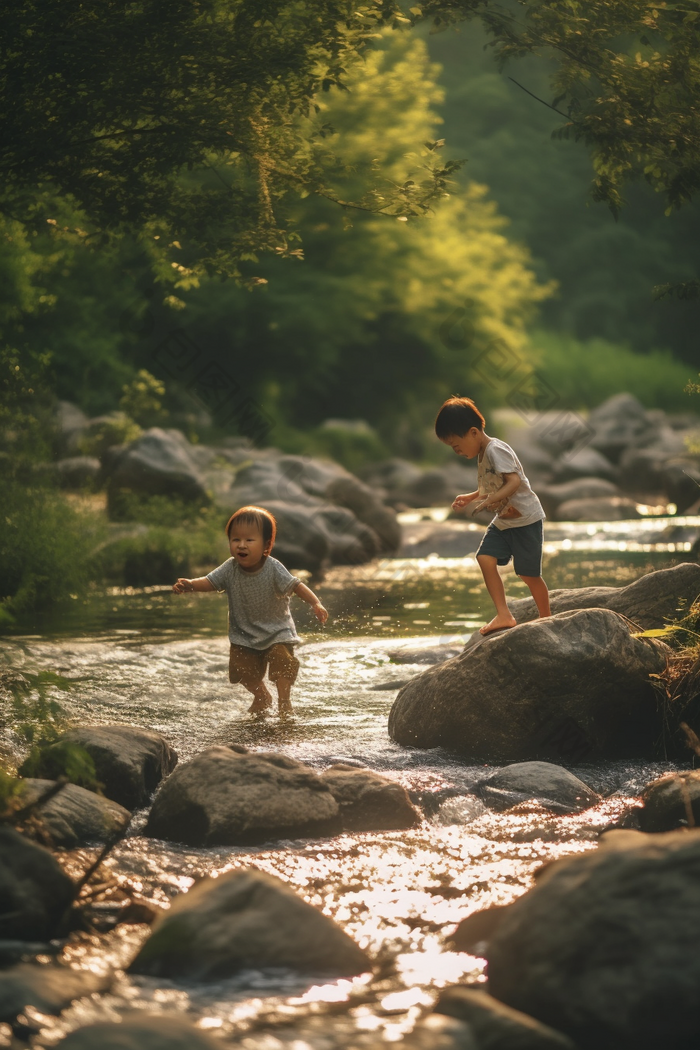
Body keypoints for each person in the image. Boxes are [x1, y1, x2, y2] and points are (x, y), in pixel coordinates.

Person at [172, 505, 328, 717]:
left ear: (267, 545)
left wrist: (315, 603)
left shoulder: (273, 567)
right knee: (242, 672)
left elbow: (296, 585)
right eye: (235, 539)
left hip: (277, 632)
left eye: (249, 540)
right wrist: (190, 584)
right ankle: (262, 695)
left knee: (283, 663)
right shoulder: (230, 568)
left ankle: (284, 703)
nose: (241, 545)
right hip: (243, 634)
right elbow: (210, 581)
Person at [435, 395, 550, 636]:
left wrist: (491, 500)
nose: (456, 452)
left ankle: (546, 618)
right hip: (505, 520)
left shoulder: (496, 449)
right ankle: (504, 614)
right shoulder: (483, 453)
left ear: (474, 433)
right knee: (485, 558)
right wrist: (472, 496)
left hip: (526, 518)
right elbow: (491, 485)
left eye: (457, 445)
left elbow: (514, 481)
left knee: (528, 574)